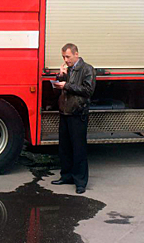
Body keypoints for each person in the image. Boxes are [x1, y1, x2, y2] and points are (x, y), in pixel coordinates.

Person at [51, 43, 96, 194]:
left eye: (68, 57)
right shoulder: (68, 69)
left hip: (78, 113)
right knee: (64, 148)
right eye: (63, 57)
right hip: (65, 112)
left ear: (76, 54)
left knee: (79, 149)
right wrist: (60, 76)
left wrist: (66, 85)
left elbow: (88, 90)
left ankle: (80, 182)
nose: (66, 60)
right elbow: (63, 87)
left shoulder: (87, 69)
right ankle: (67, 176)